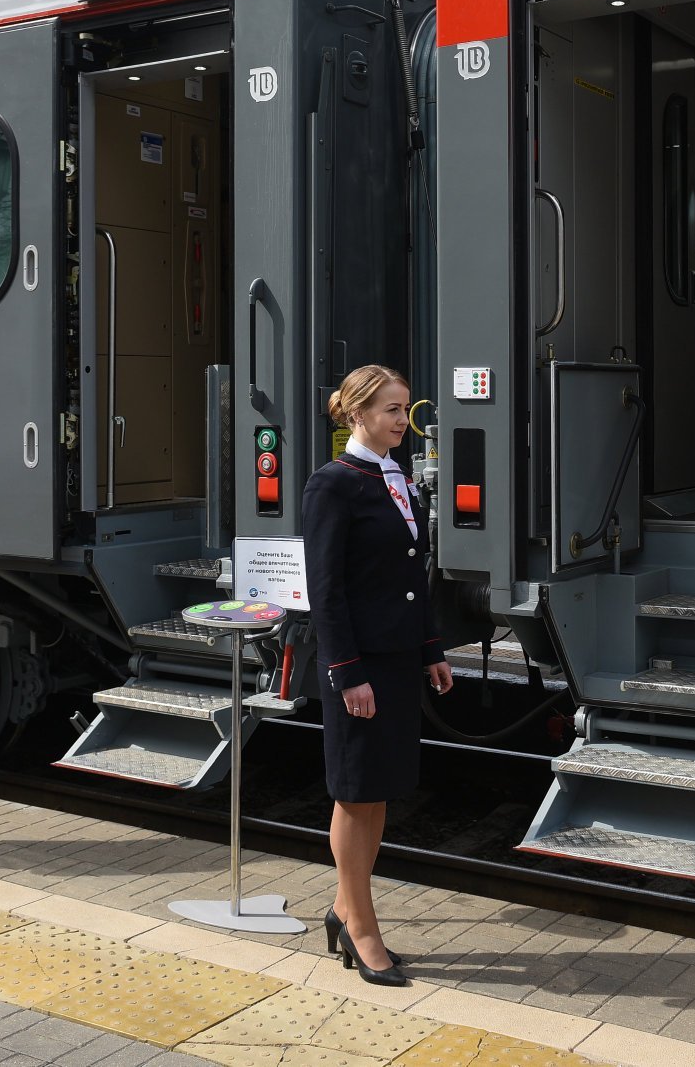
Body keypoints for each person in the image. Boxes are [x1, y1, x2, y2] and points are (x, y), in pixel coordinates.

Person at [302, 364, 450, 987]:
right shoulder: (333, 484)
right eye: (392, 409)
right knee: (354, 792)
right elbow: (327, 592)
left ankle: (345, 910)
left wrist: (431, 651)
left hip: (395, 659)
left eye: (405, 408)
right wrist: (347, 673)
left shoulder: (395, 480)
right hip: (359, 666)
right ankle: (360, 925)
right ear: (358, 414)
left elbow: (412, 577)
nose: (403, 420)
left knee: (378, 791)